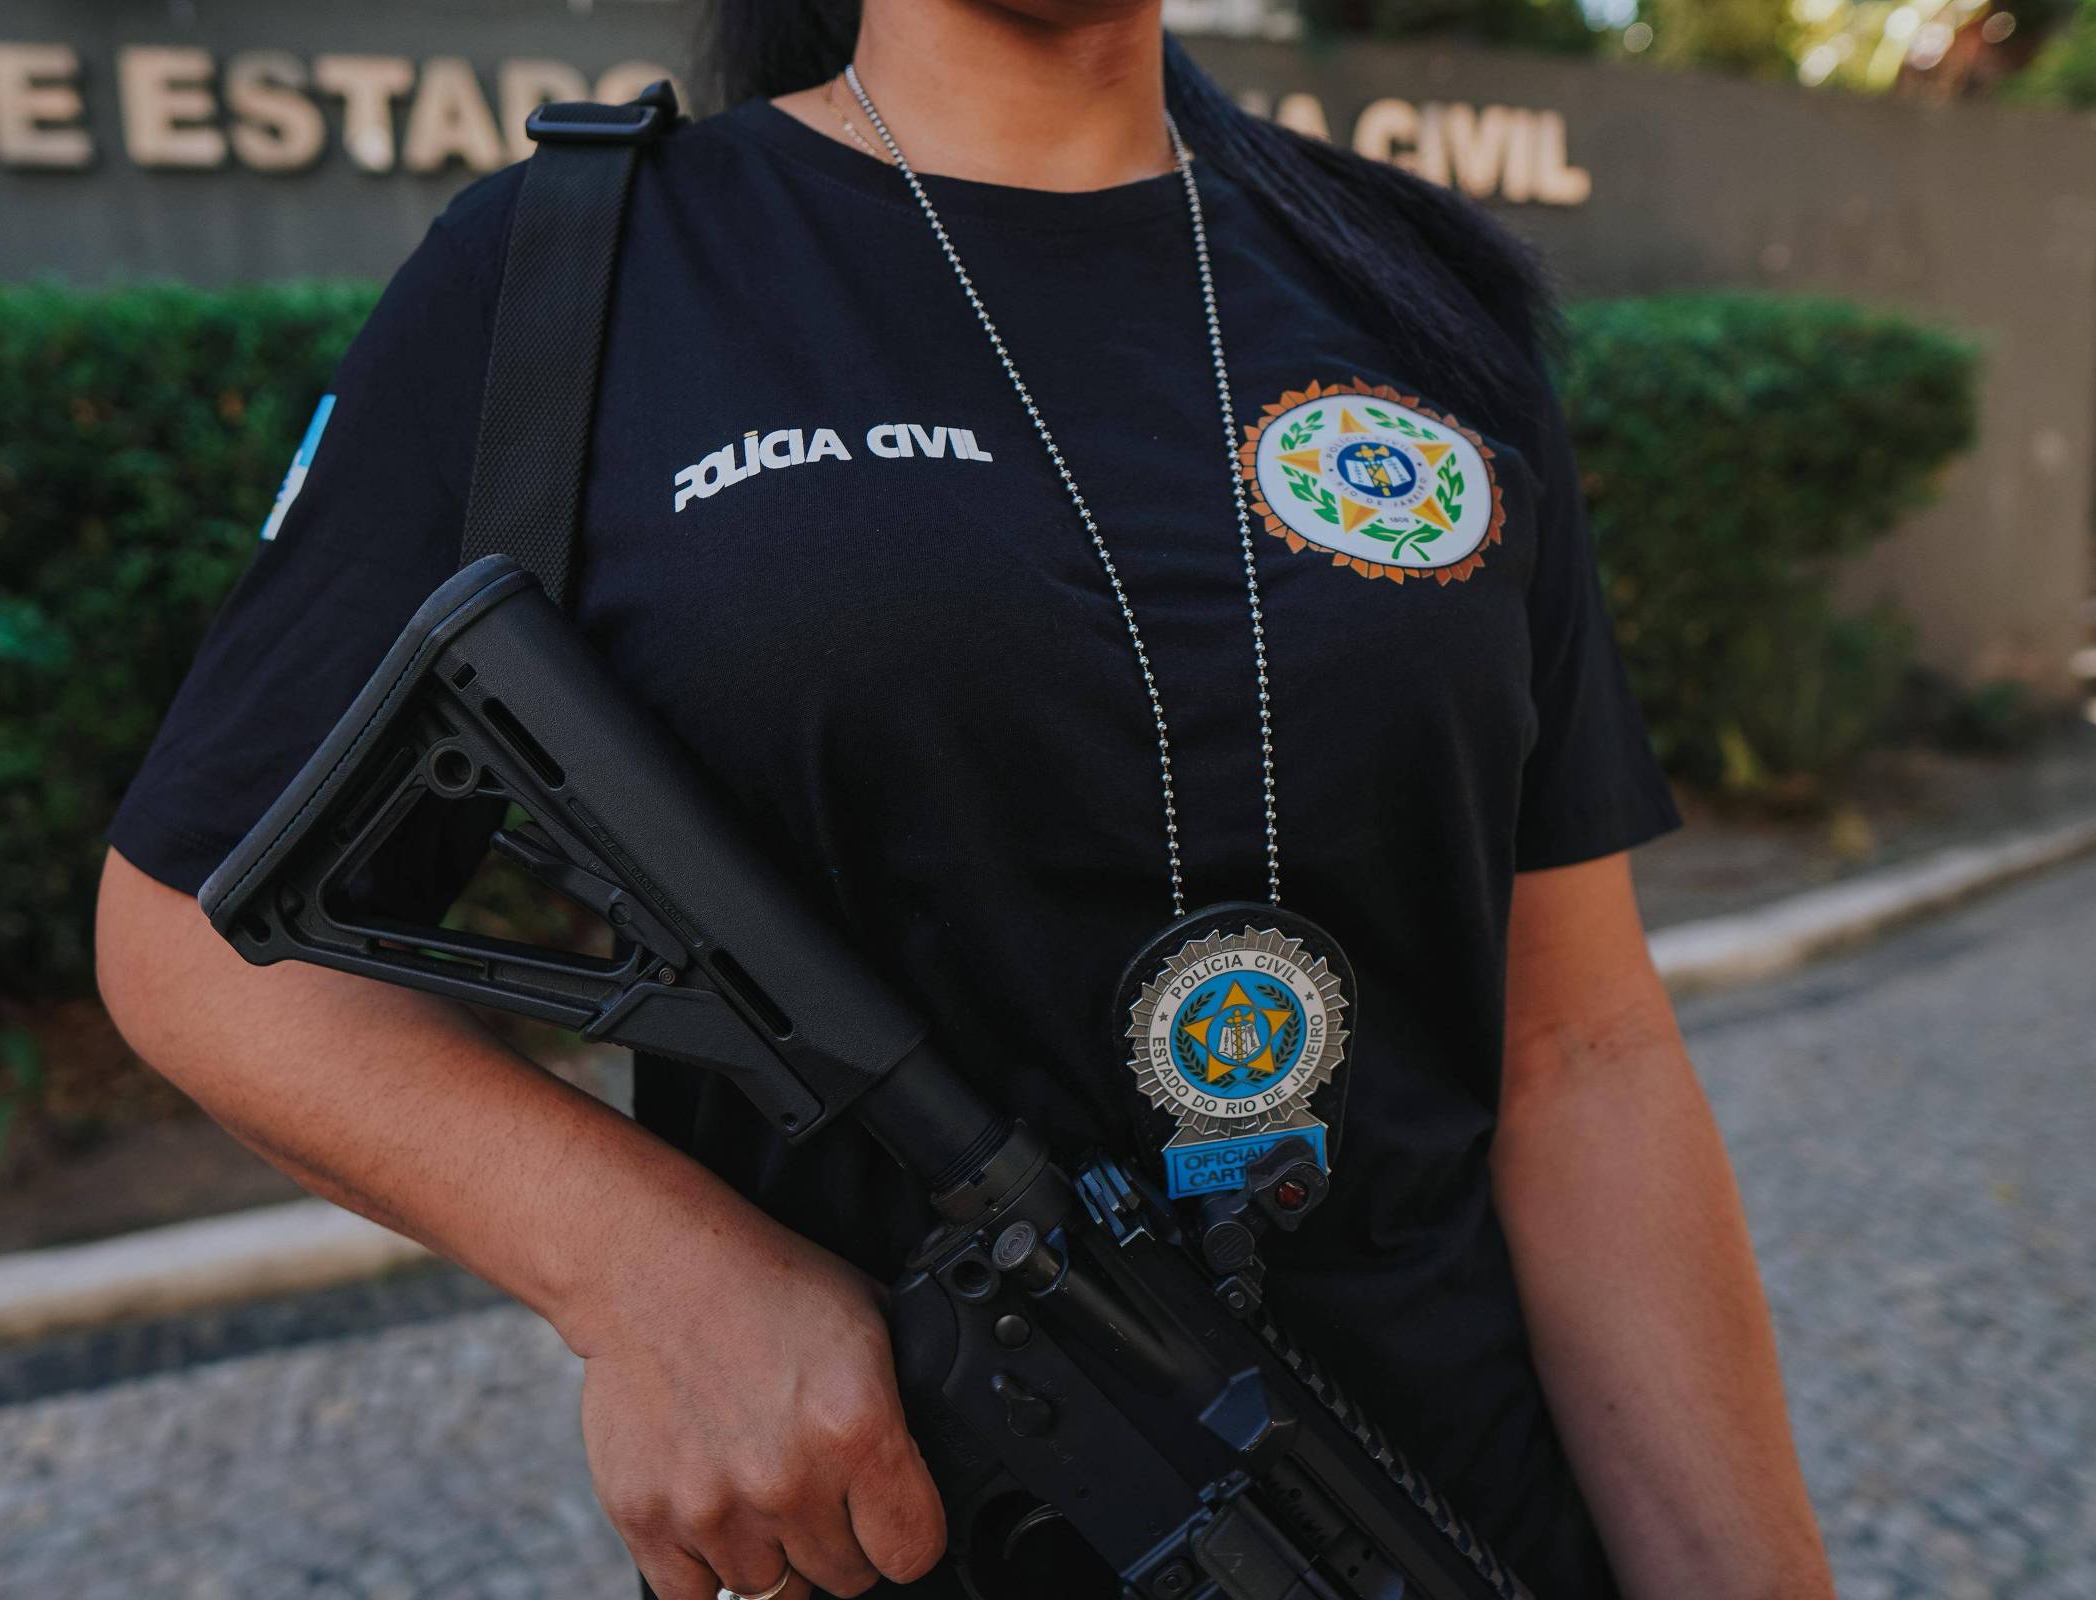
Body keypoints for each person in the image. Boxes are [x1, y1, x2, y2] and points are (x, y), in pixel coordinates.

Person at [94, 3, 1835, 1597]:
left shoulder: (1413, 293)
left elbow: (1579, 1050)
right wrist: (641, 1265)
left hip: (1444, 1525)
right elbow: (198, 930)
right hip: (902, 1533)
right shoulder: (579, 269)